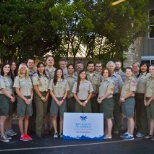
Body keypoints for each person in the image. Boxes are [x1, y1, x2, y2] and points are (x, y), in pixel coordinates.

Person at [14, 63, 33, 141]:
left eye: (25, 68)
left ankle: (26, 134)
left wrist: (31, 98)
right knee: (21, 117)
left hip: (29, 98)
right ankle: (22, 135)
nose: (23, 70)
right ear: (19, 69)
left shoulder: (28, 78)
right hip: (22, 98)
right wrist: (25, 99)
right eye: (22, 68)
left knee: (27, 117)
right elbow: (17, 90)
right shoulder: (17, 78)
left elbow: (32, 90)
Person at [49, 68, 69, 138]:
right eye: (58, 72)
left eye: (60, 72)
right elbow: (51, 91)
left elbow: (66, 92)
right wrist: (57, 100)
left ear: (62, 73)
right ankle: (55, 132)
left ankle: (61, 132)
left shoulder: (65, 81)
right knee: (54, 116)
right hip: (55, 99)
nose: (59, 73)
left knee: (61, 117)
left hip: (62, 99)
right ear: (56, 73)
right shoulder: (52, 81)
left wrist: (62, 100)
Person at [32, 62, 49, 139]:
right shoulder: (35, 76)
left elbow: (49, 87)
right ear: (37, 68)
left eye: (42, 66)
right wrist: (41, 97)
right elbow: (35, 87)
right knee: (40, 114)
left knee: (44, 114)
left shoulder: (46, 75)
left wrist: (47, 96)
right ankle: (38, 132)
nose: (41, 68)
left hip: (46, 95)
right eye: (39, 67)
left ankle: (42, 131)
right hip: (39, 95)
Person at [120, 67, 137, 140]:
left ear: (131, 72)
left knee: (130, 117)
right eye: (126, 71)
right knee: (127, 117)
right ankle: (128, 132)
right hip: (125, 100)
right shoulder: (126, 80)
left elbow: (132, 91)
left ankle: (131, 134)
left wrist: (123, 98)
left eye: (129, 71)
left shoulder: (133, 80)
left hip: (129, 100)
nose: (127, 72)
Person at [106, 61, 123, 134]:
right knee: (107, 113)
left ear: (114, 67)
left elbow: (121, 87)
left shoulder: (118, 76)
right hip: (106, 97)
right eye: (109, 66)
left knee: (116, 112)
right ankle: (107, 127)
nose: (110, 67)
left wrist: (120, 97)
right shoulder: (104, 75)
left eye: (112, 66)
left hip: (115, 96)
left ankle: (116, 128)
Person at [0, 63, 15, 142]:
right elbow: (3, 89)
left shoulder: (9, 77)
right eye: (5, 67)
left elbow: (11, 88)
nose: (7, 68)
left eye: (8, 67)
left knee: (7, 116)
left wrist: (13, 96)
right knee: (3, 117)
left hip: (10, 97)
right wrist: (11, 97)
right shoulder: (1, 77)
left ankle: (4, 132)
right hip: (3, 98)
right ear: (2, 68)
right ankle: (2, 135)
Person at [97, 68, 114, 139]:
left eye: (106, 72)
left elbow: (109, 92)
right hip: (102, 101)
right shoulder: (102, 82)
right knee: (105, 118)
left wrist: (101, 99)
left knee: (108, 118)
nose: (105, 73)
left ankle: (109, 134)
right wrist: (98, 98)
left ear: (109, 73)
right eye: (104, 72)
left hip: (108, 101)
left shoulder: (111, 82)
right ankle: (106, 132)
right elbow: (100, 92)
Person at [135, 62, 150, 138]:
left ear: (147, 67)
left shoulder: (148, 75)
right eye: (142, 66)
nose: (143, 67)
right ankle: (139, 129)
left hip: (143, 96)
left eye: (144, 66)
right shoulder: (138, 75)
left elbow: (148, 87)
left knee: (143, 115)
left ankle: (143, 131)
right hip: (137, 96)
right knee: (138, 114)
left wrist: (145, 99)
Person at [4, 60, 18, 137]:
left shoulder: (15, 74)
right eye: (12, 65)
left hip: (14, 96)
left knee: (10, 114)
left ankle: (9, 129)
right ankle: (5, 130)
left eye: (14, 65)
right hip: (8, 96)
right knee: (5, 115)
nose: (13, 66)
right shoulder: (6, 75)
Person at [45, 55, 56, 133]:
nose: (50, 61)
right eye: (49, 60)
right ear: (46, 61)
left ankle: (52, 128)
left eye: (52, 60)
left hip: (53, 94)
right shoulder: (42, 69)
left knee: (52, 112)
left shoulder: (56, 70)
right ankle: (45, 128)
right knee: (45, 112)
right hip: (44, 93)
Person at [144, 65, 154, 141]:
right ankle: (150, 134)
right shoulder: (148, 79)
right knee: (150, 118)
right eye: (150, 69)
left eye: (152, 69)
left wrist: (149, 100)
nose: (151, 70)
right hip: (147, 99)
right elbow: (145, 90)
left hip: (152, 100)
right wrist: (145, 99)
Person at [27, 58, 36, 134]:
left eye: (32, 63)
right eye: (29, 63)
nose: (31, 64)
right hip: (27, 94)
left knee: (33, 112)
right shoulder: (24, 71)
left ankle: (32, 127)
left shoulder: (35, 71)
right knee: (27, 112)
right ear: (27, 63)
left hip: (35, 93)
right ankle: (26, 129)